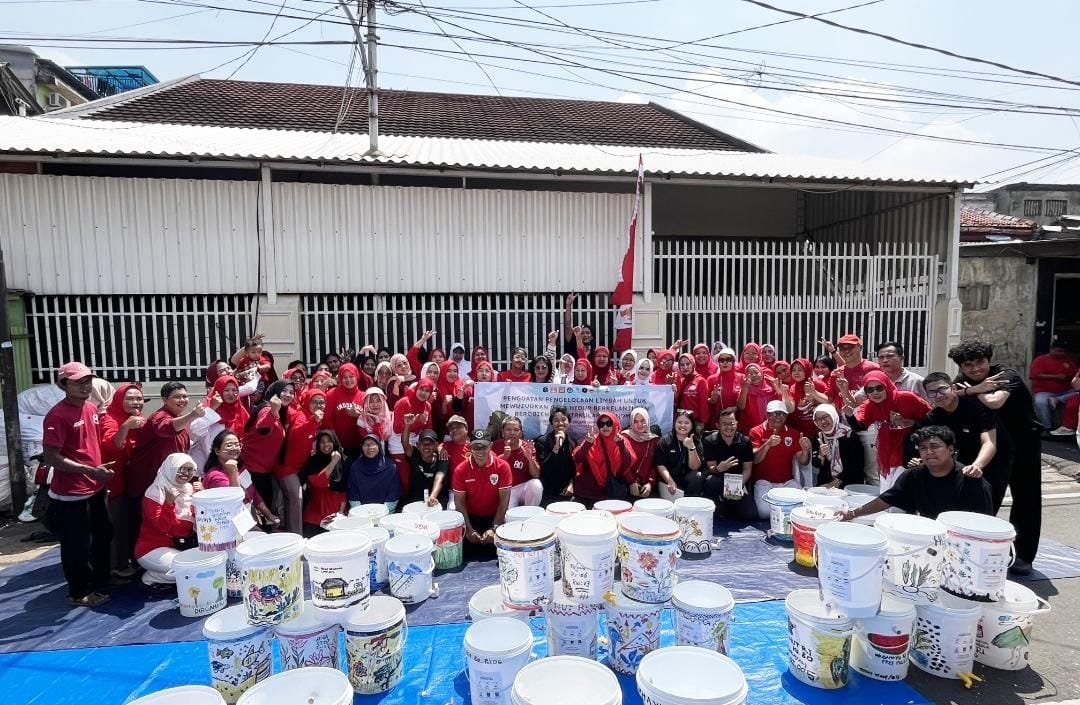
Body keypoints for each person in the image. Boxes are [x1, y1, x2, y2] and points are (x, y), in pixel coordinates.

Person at [950, 340, 1041, 575]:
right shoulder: (962, 380)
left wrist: (972, 392)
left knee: (1026, 500)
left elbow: (995, 401)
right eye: (968, 365)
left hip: (1023, 444)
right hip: (991, 447)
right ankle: (981, 549)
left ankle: (1023, 556)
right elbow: (948, 397)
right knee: (986, 497)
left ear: (988, 359)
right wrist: (971, 389)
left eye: (980, 362)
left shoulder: (1005, 375)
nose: (975, 369)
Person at [42, 362, 116, 607]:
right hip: (72, 494)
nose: (85, 386)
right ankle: (78, 592)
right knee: (77, 545)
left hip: (95, 485)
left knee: (103, 533)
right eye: (78, 382)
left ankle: (99, 581)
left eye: (87, 381)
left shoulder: (91, 408)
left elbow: (90, 444)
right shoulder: (57, 415)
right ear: (63, 384)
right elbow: (51, 457)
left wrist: (98, 469)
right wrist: (88, 470)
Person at [841, 426, 992, 521]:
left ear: (951, 450)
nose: (929, 452)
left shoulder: (971, 479)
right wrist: (853, 513)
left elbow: (984, 521)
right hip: (926, 535)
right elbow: (886, 500)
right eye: (923, 448)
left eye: (935, 446)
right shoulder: (913, 475)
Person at [921, 372, 1011, 510]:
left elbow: (989, 442)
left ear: (952, 387)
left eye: (942, 389)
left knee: (986, 508)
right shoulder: (933, 417)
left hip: (993, 460)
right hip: (963, 461)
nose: (938, 395)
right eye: (932, 392)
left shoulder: (976, 406)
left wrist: (977, 465)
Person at [854, 370, 930, 492]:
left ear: (887, 386)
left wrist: (907, 421)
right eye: (870, 390)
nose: (875, 393)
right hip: (886, 457)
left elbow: (931, 420)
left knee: (899, 496)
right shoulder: (869, 405)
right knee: (886, 495)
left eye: (879, 388)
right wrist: (848, 415)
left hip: (908, 455)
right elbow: (860, 426)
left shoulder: (907, 398)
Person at [98, 382, 145, 578]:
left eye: (139, 398)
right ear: (119, 400)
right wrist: (125, 426)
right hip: (113, 482)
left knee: (128, 523)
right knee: (114, 526)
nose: (136, 402)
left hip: (131, 481)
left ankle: (128, 560)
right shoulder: (110, 419)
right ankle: (114, 568)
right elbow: (114, 445)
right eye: (130, 398)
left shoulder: (138, 418)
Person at [133, 453, 198, 590]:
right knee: (187, 571)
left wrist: (202, 497)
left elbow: (199, 518)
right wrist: (169, 503)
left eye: (190, 469)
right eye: (181, 469)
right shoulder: (155, 493)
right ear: (170, 468)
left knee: (201, 567)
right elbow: (163, 526)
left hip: (180, 545)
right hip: (152, 548)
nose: (186, 474)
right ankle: (151, 577)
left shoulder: (189, 489)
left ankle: (163, 572)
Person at [241, 380, 296, 519]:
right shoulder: (267, 408)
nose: (288, 395)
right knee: (255, 515)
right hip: (252, 471)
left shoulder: (281, 412)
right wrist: (273, 411)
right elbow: (262, 426)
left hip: (264, 471)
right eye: (284, 390)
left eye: (291, 392)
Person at [452, 429, 512, 556]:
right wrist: (468, 529)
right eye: (476, 447)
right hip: (471, 517)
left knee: (501, 553)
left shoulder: (503, 467)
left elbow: (504, 502)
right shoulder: (460, 470)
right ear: (470, 447)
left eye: (483, 447)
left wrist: (494, 528)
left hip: (495, 517)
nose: (480, 451)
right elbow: (459, 503)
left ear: (490, 446)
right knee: (466, 553)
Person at [201, 430, 279, 527]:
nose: (234, 448)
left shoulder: (241, 468)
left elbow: (254, 494)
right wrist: (232, 473)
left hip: (247, 519)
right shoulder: (215, 477)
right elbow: (234, 501)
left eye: (237, 444)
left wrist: (269, 515)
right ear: (217, 451)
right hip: (229, 525)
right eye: (229, 445)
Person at [749, 400, 811, 520]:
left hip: (787, 482)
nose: (779, 417)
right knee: (764, 513)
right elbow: (755, 460)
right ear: (767, 415)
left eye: (783, 414)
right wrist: (767, 444)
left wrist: (805, 451)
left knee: (802, 507)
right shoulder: (756, 431)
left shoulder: (794, 433)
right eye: (775, 413)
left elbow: (803, 462)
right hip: (763, 482)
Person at [275, 387, 324, 534]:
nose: (318, 405)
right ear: (307, 402)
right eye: (314, 402)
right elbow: (296, 435)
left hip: (301, 467)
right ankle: (297, 534)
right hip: (287, 467)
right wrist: (313, 421)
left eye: (322, 402)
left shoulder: (318, 418)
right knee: (297, 498)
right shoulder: (301, 415)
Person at [571, 411, 636, 506]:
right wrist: (587, 444)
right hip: (590, 493)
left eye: (609, 423)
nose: (605, 427)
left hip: (612, 492)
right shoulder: (592, 439)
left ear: (615, 424)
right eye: (601, 424)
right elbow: (577, 458)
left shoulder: (622, 441)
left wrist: (620, 445)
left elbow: (627, 463)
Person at [703, 409, 756, 519]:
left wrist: (739, 483)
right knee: (710, 481)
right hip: (719, 478)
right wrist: (719, 468)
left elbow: (747, 469)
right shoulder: (709, 440)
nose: (728, 427)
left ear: (736, 423)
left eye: (731, 423)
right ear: (718, 425)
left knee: (749, 515)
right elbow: (710, 467)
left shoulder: (745, 441)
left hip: (738, 480)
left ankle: (730, 504)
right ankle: (719, 504)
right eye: (724, 424)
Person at [189, 374, 249, 470]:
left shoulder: (241, 412)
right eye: (226, 390)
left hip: (232, 466)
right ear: (218, 391)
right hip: (205, 467)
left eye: (234, 390)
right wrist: (212, 408)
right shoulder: (208, 408)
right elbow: (196, 429)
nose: (231, 394)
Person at [390, 378, 435, 496]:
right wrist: (417, 422)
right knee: (405, 477)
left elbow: (428, 429)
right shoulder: (404, 402)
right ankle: (404, 502)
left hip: (415, 442)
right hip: (398, 443)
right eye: (421, 389)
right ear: (416, 389)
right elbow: (397, 428)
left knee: (416, 475)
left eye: (427, 391)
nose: (423, 393)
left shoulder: (427, 406)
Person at [300, 430, 346, 536]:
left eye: (329, 441)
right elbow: (317, 482)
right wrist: (333, 462)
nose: (326, 445)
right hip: (315, 514)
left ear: (334, 442)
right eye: (322, 442)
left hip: (337, 513)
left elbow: (345, 489)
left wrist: (340, 513)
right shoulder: (313, 461)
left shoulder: (344, 461)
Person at [492, 416, 543, 508]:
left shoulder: (526, 447)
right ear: (503, 433)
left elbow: (536, 475)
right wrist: (504, 457)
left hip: (522, 488)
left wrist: (530, 458)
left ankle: (530, 513)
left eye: (516, 430)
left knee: (536, 484)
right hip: (505, 489)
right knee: (508, 516)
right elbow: (490, 472)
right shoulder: (496, 445)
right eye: (508, 430)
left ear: (520, 433)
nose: (512, 433)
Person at [344, 434, 401, 514]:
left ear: (379, 446)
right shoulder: (355, 467)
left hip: (385, 513)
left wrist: (382, 513)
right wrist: (360, 513)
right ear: (361, 448)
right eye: (366, 445)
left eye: (373, 444)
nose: (369, 447)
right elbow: (353, 494)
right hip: (362, 514)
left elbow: (393, 494)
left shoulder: (390, 466)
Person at [810, 404, 864, 488]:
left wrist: (837, 482)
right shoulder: (818, 437)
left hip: (850, 484)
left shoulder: (849, 435)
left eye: (825, 416)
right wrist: (821, 455)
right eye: (818, 419)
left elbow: (857, 464)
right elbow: (816, 465)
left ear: (833, 415)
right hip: (827, 484)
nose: (823, 421)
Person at [1029, 342, 1079, 434]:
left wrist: (1068, 376)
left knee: (1077, 393)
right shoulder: (1040, 360)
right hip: (1044, 391)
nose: (1062, 353)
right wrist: (1056, 377)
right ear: (1052, 349)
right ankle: (1047, 427)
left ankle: (1057, 399)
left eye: (1064, 351)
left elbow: (1074, 373)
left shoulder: (1067, 360)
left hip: (1066, 391)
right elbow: (1034, 375)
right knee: (1040, 402)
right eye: (1059, 351)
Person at [655, 409, 705, 499]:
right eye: (679, 422)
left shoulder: (696, 441)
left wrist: (691, 447)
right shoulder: (665, 440)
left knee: (697, 476)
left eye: (686, 423)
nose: (682, 425)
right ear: (675, 423)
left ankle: (690, 502)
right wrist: (670, 481)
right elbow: (660, 464)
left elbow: (695, 467)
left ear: (692, 425)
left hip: (687, 477)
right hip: (669, 478)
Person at [534, 407, 578, 506]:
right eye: (556, 420)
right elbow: (545, 469)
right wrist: (557, 446)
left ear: (569, 422)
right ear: (551, 423)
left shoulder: (573, 442)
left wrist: (572, 484)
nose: (560, 423)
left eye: (563, 419)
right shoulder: (542, 441)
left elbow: (574, 468)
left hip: (568, 492)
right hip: (548, 491)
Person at [402, 423, 450, 508]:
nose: (426, 447)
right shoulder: (414, 454)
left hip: (437, 498)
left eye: (430, 444)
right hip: (415, 499)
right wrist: (407, 425)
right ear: (418, 445)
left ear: (435, 445)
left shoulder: (442, 458)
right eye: (423, 444)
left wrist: (433, 496)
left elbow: (439, 478)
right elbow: (405, 443)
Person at [822, 334, 880, 404]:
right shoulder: (836, 373)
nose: (846, 351)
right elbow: (829, 399)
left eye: (850, 347)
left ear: (860, 347)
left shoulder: (874, 369)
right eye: (842, 348)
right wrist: (813, 392)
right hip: (843, 414)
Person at [325, 363, 366, 455]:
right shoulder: (332, 394)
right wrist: (335, 442)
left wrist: (358, 416)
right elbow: (327, 419)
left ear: (357, 376)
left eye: (351, 376)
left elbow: (369, 421)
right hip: (337, 446)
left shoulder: (363, 396)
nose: (348, 380)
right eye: (345, 377)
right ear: (340, 378)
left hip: (359, 446)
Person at [621, 407, 660, 500]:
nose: (640, 424)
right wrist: (631, 482)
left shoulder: (654, 440)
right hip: (627, 485)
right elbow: (622, 462)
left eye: (643, 420)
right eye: (635, 421)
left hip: (646, 487)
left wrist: (650, 483)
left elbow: (656, 464)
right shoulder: (624, 437)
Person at [674, 354, 710, 425]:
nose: (685, 367)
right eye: (682, 365)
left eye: (688, 364)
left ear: (693, 364)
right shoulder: (681, 381)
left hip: (696, 422)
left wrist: (702, 422)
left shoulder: (700, 381)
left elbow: (703, 404)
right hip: (682, 422)